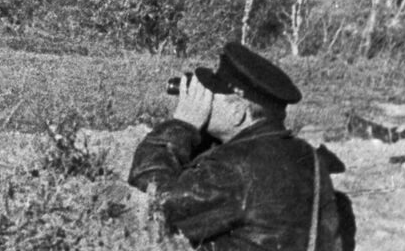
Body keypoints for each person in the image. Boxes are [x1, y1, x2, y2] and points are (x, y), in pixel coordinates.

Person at [129, 41, 348, 251]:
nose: (203, 104)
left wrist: (182, 125)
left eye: (211, 97)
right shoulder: (308, 155)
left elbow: (157, 201)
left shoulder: (235, 167)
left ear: (238, 113)